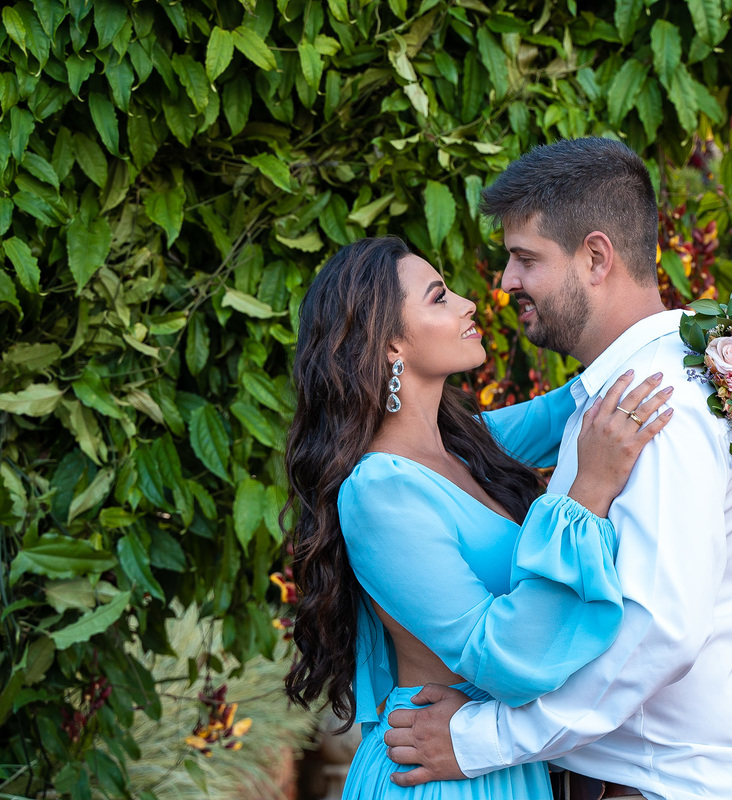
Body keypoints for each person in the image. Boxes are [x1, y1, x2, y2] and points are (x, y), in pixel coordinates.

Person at [383, 137, 732, 800]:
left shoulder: (654, 405)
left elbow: (655, 631)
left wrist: (484, 739)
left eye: (525, 259)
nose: (504, 283)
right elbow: (447, 451)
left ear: (596, 256)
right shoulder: (622, 393)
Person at [281, 234, 675, 799]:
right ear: (389, 344)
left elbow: (581, 395)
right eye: (439, 297)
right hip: (436, 770)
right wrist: (589, 490)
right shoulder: (379, 493)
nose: (469, 302)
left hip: (494, 754)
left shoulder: (466, 445)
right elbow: (501, 656)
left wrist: (730, 344)